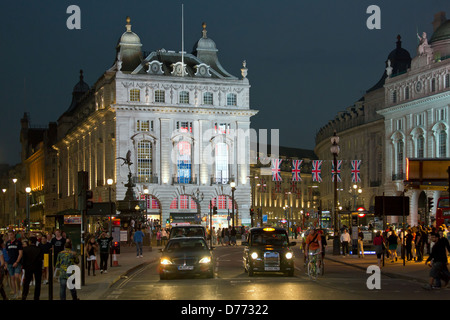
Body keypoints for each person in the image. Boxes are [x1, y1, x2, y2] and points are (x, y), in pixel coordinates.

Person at [5, 230, 23, 299]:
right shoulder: (8, 243)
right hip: (10, 262)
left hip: (16, 262)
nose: (10, 236)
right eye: (9, 235)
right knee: (12, 278)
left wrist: (17, 261)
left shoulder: (18, 242)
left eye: (11, 235)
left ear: (14, 234)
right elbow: (7, 253)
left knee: (17, 276)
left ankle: (19, 290)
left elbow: (20, 253)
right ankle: (15, 292)